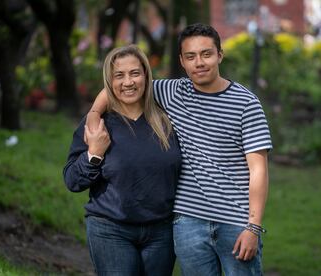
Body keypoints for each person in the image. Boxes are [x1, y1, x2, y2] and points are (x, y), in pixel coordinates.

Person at [87, 23, 272, 276]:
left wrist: (253, 226)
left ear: (219, 54)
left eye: (206, 54)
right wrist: (94, 114)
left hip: (236, 222)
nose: (199, 63)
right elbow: (120, 86)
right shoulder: (171, 92)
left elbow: (258, 170)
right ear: (182, 61)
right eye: (191, 56)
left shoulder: (246, 103)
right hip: (188, 223)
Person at [63, 45, 181, 276]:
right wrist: (94, 154)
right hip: (110, 229)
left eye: (134, 73)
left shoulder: (168, 120)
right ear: (109, 81)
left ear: (146, 76)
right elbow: (72, 181)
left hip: (161, 232)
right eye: (119, 75)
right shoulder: (97, 125)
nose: (128, 82)